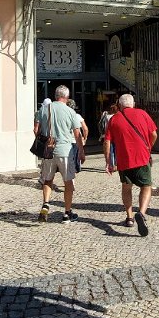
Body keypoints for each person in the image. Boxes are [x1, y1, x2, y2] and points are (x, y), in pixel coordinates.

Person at [103, 93, 156, 236]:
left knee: (126, 188)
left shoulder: (114, 119)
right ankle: (142, 214)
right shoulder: (143, 114)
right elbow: (154, 134)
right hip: (142, 158)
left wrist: (108, 162)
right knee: (146, 186)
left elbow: (107, 141)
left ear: (120, 105)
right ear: (133, 104)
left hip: (123, 160)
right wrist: (148, 148)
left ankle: (129, 217)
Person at [37, 87, 84, 223]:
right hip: (65, 151)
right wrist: (81, 151)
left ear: (55, 95)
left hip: (48, 151)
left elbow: (37, 130)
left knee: (47, 180)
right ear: (67, 97)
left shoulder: (44, 110)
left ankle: (45, 204)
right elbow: (77, 134)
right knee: (68, 182)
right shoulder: (70, 111)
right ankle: (67, 213)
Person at [66, 99, 89, 173]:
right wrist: (85, 138)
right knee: (76, 158)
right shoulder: (78, 116)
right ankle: (75, 170)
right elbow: (85, 129)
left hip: (67, 140)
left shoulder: (64, 116)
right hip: (76, 140)